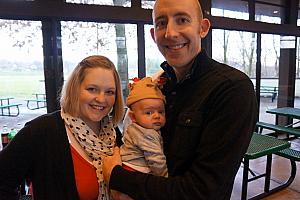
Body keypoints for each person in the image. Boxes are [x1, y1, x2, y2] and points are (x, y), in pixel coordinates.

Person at [103, 0, 258, 199]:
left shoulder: (232, 89)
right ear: (153, 34)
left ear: (202, 28)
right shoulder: (157, 86)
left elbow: (202, 192)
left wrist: (117, 177)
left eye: (182, 20)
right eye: (161, 23)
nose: (170, 33)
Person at [0, 55, 125, 200]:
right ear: (75, 89)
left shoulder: (112, 133)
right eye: (92, 89)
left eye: (109, 92)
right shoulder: (41, 131)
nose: (101, 99)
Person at [120, 77, 168, 177]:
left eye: (161, 111)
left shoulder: (135, 128)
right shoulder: (146, 134)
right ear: (133, 117)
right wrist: (166, 179)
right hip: (135, 170)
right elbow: (156, 161)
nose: (157, 116)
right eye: (148, 112)